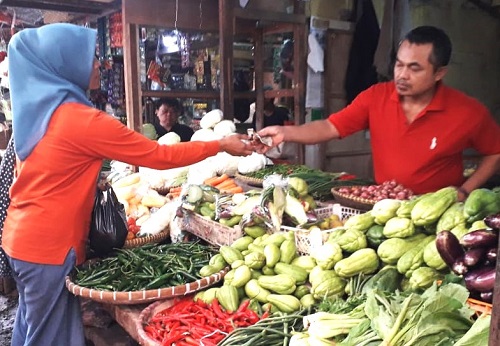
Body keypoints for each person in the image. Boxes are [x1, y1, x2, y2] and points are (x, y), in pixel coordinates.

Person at [0, 23, 253, 346]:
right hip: (48, 247)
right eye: (88, 59)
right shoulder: (81, 120)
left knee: (32, 327)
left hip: (21, 242)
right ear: (63, 66)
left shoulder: (38, 115)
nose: (97, 65)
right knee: (50, 336)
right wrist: (219, 145)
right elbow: (158, 155)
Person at [255, 26, 500, 199]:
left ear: (439, 73)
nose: (402, 75)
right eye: (399, 64)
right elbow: (331, 126)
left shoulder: (467, 111)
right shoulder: (376, 97)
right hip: (385, 204)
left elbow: (495, 151)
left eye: (414, 68)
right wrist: (285, 132)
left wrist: (466, 190)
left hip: (440, 213)